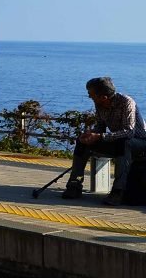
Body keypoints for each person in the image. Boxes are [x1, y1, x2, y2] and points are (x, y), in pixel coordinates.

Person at [61, 76, 146, 204]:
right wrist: (91, 134)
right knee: (82, 142)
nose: (90, 98)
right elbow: (101, 126)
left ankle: (118, 191)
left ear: (103, 97)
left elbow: (129, 132)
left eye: (91, 95)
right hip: (117, 140)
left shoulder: (126, 102)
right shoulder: (99, 104)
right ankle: (75, 184)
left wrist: (101, 136)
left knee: (124, 143)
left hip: (139, 142)